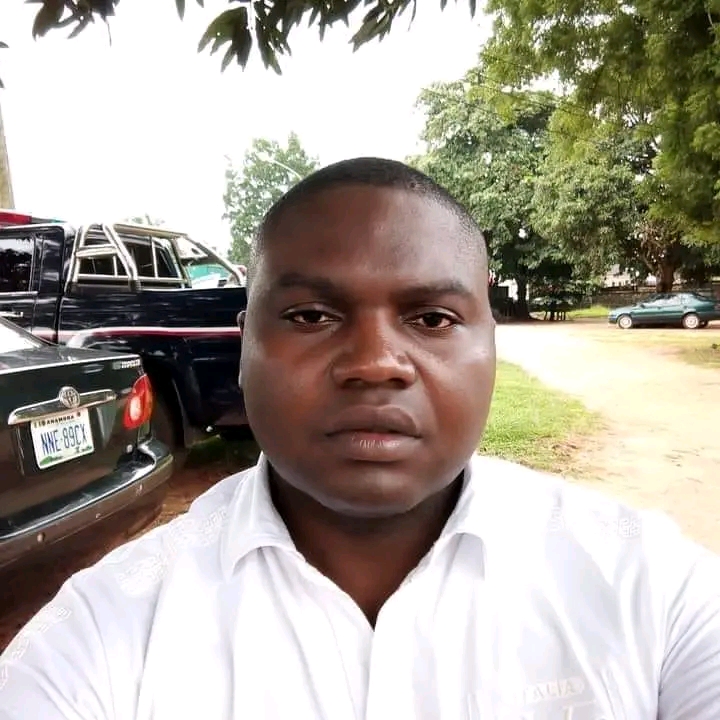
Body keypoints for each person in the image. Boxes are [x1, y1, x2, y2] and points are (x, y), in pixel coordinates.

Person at [0, 158, 718, 719]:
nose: (376, 362)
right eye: (312, 316)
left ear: (491, 344)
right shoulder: (105, 631)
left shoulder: (651, 587)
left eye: (432, 319)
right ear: (245, 346)